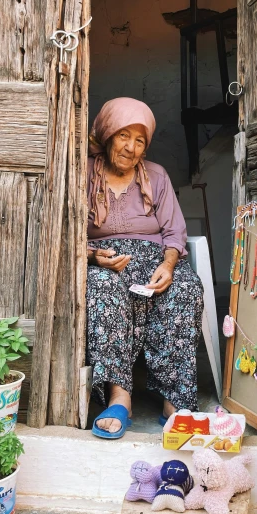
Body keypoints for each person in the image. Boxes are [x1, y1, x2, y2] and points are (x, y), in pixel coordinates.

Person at [86, 97, 203, 439]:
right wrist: (94, 256)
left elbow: (175, 232)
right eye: (124, 136)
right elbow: (65, 233)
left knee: (184, 289)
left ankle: (174, 398)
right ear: (108, 136)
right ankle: (120, 396)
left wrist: (168, 265)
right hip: (107, 263)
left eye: (140, 140)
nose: (131, 147)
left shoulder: (156, 175)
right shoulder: (83, 175)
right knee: (102, 289)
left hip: (155, 260)